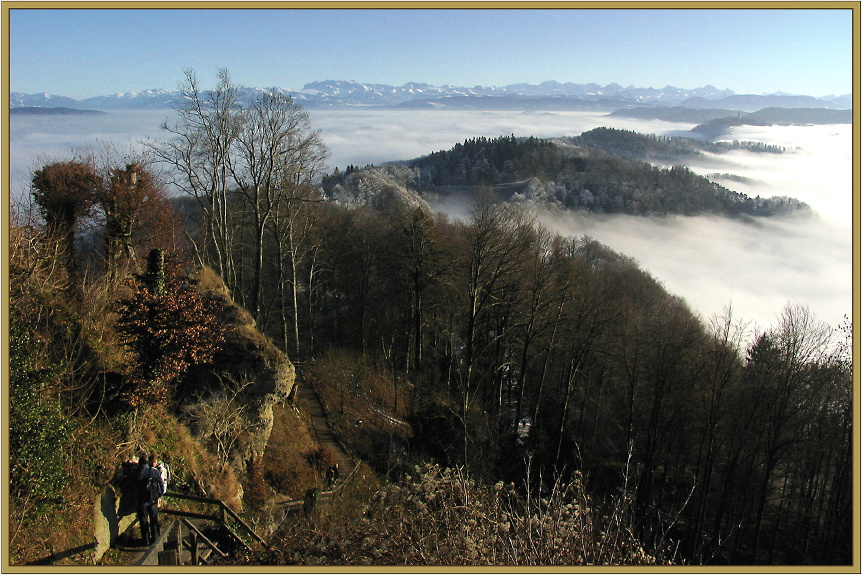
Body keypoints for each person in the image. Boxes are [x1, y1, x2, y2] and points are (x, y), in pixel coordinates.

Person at [135, 454, 166, 545]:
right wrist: (157, 496)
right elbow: (162, 486)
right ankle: (156, 540)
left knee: (143, 521)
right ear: (147, 462)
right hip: (153, 500)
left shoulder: (136, 473)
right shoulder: (154, 472)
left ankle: (146, 541)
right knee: (154, 519)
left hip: (141, 501)